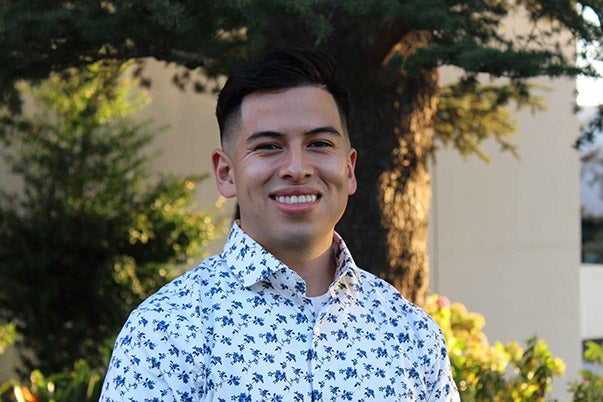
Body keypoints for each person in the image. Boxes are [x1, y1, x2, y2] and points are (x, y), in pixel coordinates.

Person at [100, 48, 460, 401]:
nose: (297, 168)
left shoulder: (409, 332)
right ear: (226, 173)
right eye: (269, 147)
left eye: (319, 143)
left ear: (349, 170)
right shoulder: (166, 331)